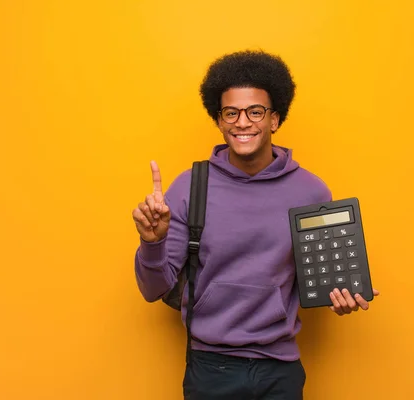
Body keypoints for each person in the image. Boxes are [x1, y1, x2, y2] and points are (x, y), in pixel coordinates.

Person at [132, 50, 379, 400]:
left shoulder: (311, 191)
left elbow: (324, 276)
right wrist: (152, 243)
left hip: (281, 368)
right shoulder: (190, 186)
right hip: (210, 367)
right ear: (219, 121)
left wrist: (341, 295)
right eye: (230, 112)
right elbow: (152, 289)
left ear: (274, 119)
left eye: (255, 112)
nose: (242, 122)